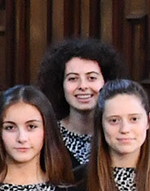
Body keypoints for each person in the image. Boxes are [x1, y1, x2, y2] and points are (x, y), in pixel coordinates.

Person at [38, 38, 124, 169]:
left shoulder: (119, 134)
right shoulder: (46, 135)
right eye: (73, 78)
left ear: (106, 82)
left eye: (92, 78)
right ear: (60, 84)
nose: (83, 86)